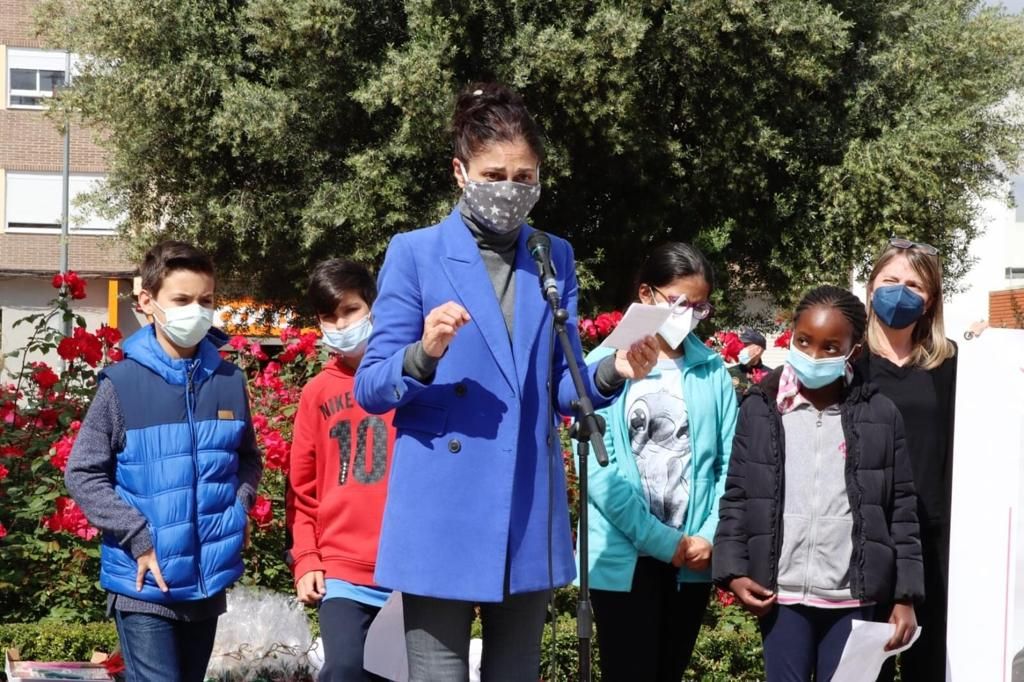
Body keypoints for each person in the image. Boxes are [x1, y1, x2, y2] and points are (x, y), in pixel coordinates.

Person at [354, 82, 659, 680]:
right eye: (495, 174)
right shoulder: (415, 253)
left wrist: (611, 370)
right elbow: (371, 387)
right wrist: (424, 352)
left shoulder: (553, 255)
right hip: (441, 505)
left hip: (527, 501)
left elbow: (561, 386)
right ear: (460, 172)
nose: (511, 190)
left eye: (526, 177)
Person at [65, 241, 263, 682]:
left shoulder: (230, 382)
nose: (196, 310)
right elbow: (82, 471)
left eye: (205, 300)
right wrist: (137, 535)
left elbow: (247, 458)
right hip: (143, 584)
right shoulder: (121, 385)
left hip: (207, 581)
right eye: (182, 300)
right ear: (147, 302)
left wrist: (240, 505)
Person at [713, 285, 923, 681]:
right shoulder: (761, 407)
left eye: (830, 347)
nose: (813, 355)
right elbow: (738, 494)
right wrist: (733, 570)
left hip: (853, 597)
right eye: (804, 341)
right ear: (790, 336)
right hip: (782, 597)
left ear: (853, 352)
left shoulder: (880, 414)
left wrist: (905, 595)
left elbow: (902, 508)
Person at [583, 242, 738, 681]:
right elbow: (599, 470)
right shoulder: (603, 365)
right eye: (680, 302)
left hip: (690, 560)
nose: (689, 314)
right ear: (646, 294)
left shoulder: (710, 369)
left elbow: (728, 463)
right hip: (621, 558)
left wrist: (706, 536)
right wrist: (660, 543)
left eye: (700, 306)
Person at [286, 259, 395, 682]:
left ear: (372, 306)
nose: (340, 323)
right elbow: (302, 487)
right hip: (343, 572)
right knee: (344, 669)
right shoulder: (317, 392)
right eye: (328, 316)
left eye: (350, 310)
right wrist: (307, 558)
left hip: (406, 572)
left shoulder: (409, 379)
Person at [857, 237, 958, 682]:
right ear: (871, 287)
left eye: (914, 285)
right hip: (866, 537)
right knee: (864, 668)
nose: (901, 292)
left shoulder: (951, 363)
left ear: (931, 298)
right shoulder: (848, 361)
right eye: (891, 280)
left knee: (929, 666)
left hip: (934, 538)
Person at [729, 327, 772, 400]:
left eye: (745, 345)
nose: (741, 348)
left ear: (758, 350)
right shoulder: (730, 373)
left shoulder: (770, 375)